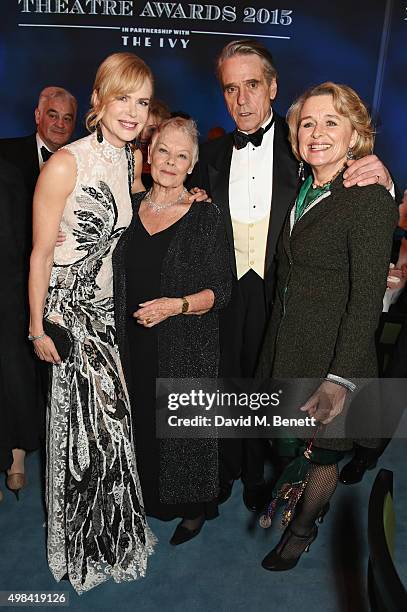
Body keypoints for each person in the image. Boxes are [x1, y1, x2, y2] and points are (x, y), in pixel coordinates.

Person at [190, 39, 396, 512]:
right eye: (230, 89)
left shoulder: (303, 143)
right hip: (225, 293)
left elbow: (356, 184)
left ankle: (264, 480)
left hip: (281, 295)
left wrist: (386, 178)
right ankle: (221, 477)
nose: (241, 100)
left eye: (252, 86)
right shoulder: (211, 154)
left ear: (273, 87)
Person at [256, 82, 398, 571]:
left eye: (331, 122)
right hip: (289, 345)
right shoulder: (305, 188)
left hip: (336, 351)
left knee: (323, 456)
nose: (316, 133)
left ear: (356, 133)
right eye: (307, 123)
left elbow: (365, 300)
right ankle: (293, 498)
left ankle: (302, 528)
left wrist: (339, 380)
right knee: (288, 440)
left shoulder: (369, 197)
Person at [28, 52, 155, 594]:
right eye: (123, 98)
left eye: (143, 102)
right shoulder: (65, 163)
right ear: (99, 101)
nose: (133, 111)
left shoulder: (131, 162)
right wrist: (37, 329)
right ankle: (83, 542)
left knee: (112, 429)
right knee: (85, 435)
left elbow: (132, 221)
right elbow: (38, 254)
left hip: (106, 313)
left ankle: (113, 533)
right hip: (69, 313)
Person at [113, 117, 231, 545]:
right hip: (129, 340)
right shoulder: (127, 207)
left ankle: (193, 510)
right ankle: (145, 501)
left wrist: (175, 307)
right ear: (149, 152)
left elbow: (222, 292)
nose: (170, 161)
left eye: (182, 155)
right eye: (163, 151)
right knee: (140, 421)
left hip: (184, 342)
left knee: (183, 431)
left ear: (192, 164)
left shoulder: (204, 215)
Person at [0, 159, 42, 500]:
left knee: (14, 373)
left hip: (9, 292)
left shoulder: (10, 172)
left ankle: (16, 453)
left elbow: (27, 237)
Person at [0, 86, 77, 198]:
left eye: (67, 119)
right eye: (53, 116)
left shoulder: (82, 163)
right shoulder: (4, 153)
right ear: (38, 116)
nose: (60, 124)